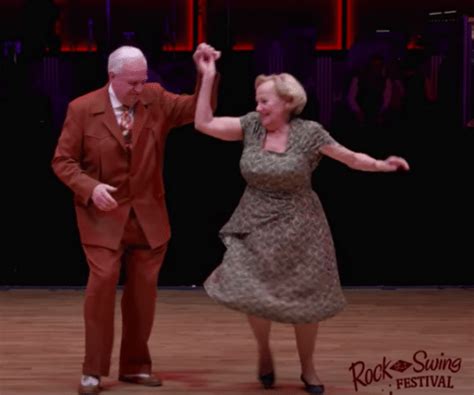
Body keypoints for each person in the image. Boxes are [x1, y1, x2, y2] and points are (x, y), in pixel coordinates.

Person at [194, 55, 409, 394]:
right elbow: (204, 123)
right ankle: (264, 353)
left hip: (301, 227)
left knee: (305, 300)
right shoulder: (251, 126)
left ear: (287, 101)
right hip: (255, 222)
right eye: (257, 101)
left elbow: (350, 158)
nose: (258, 107)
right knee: (252, 292)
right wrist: (207, 76)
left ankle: (308, 368)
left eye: (264, 101)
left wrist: (382, 165)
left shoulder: (309, 133)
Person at [51, 43, 220, 395]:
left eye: (143, 81)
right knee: (101, 288)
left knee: (143, 295)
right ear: (111, 77)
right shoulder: (82, 109)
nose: (139, 89)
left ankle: (136, 367)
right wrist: (90, 186)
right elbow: (63, 161)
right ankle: (93, 370)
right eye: (132, 83)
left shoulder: (154, 99)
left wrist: (206, 77)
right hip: (103, 217)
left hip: (147, 216)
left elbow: (197, 112)